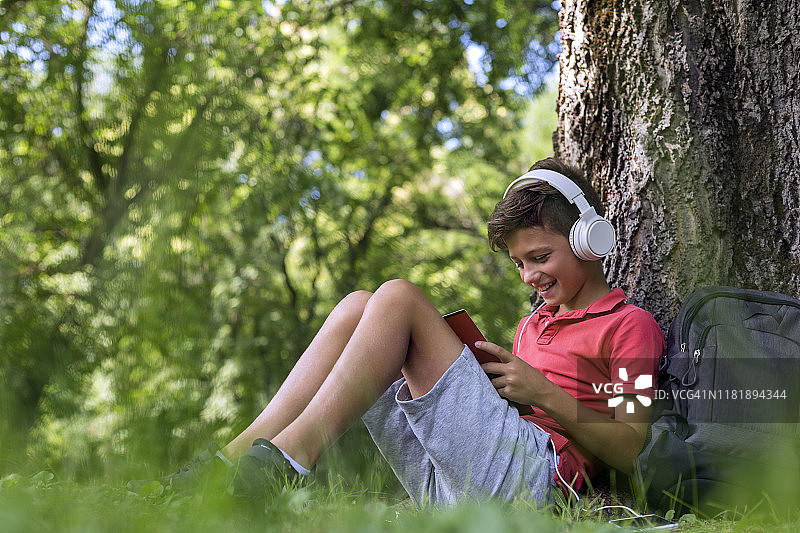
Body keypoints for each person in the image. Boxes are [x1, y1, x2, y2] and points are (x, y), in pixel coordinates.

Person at [129, 157, 665, 507]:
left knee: (400, 297)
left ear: (590, 238)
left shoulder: (630, 327)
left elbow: (629, 446)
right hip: (456, 487)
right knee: (358, 308)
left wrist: (539, 392)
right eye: (519, 264)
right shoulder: (535, 323)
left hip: (534, 485)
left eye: (540, 257)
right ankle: (230, 462)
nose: (529, 276)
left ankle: (281, 466)